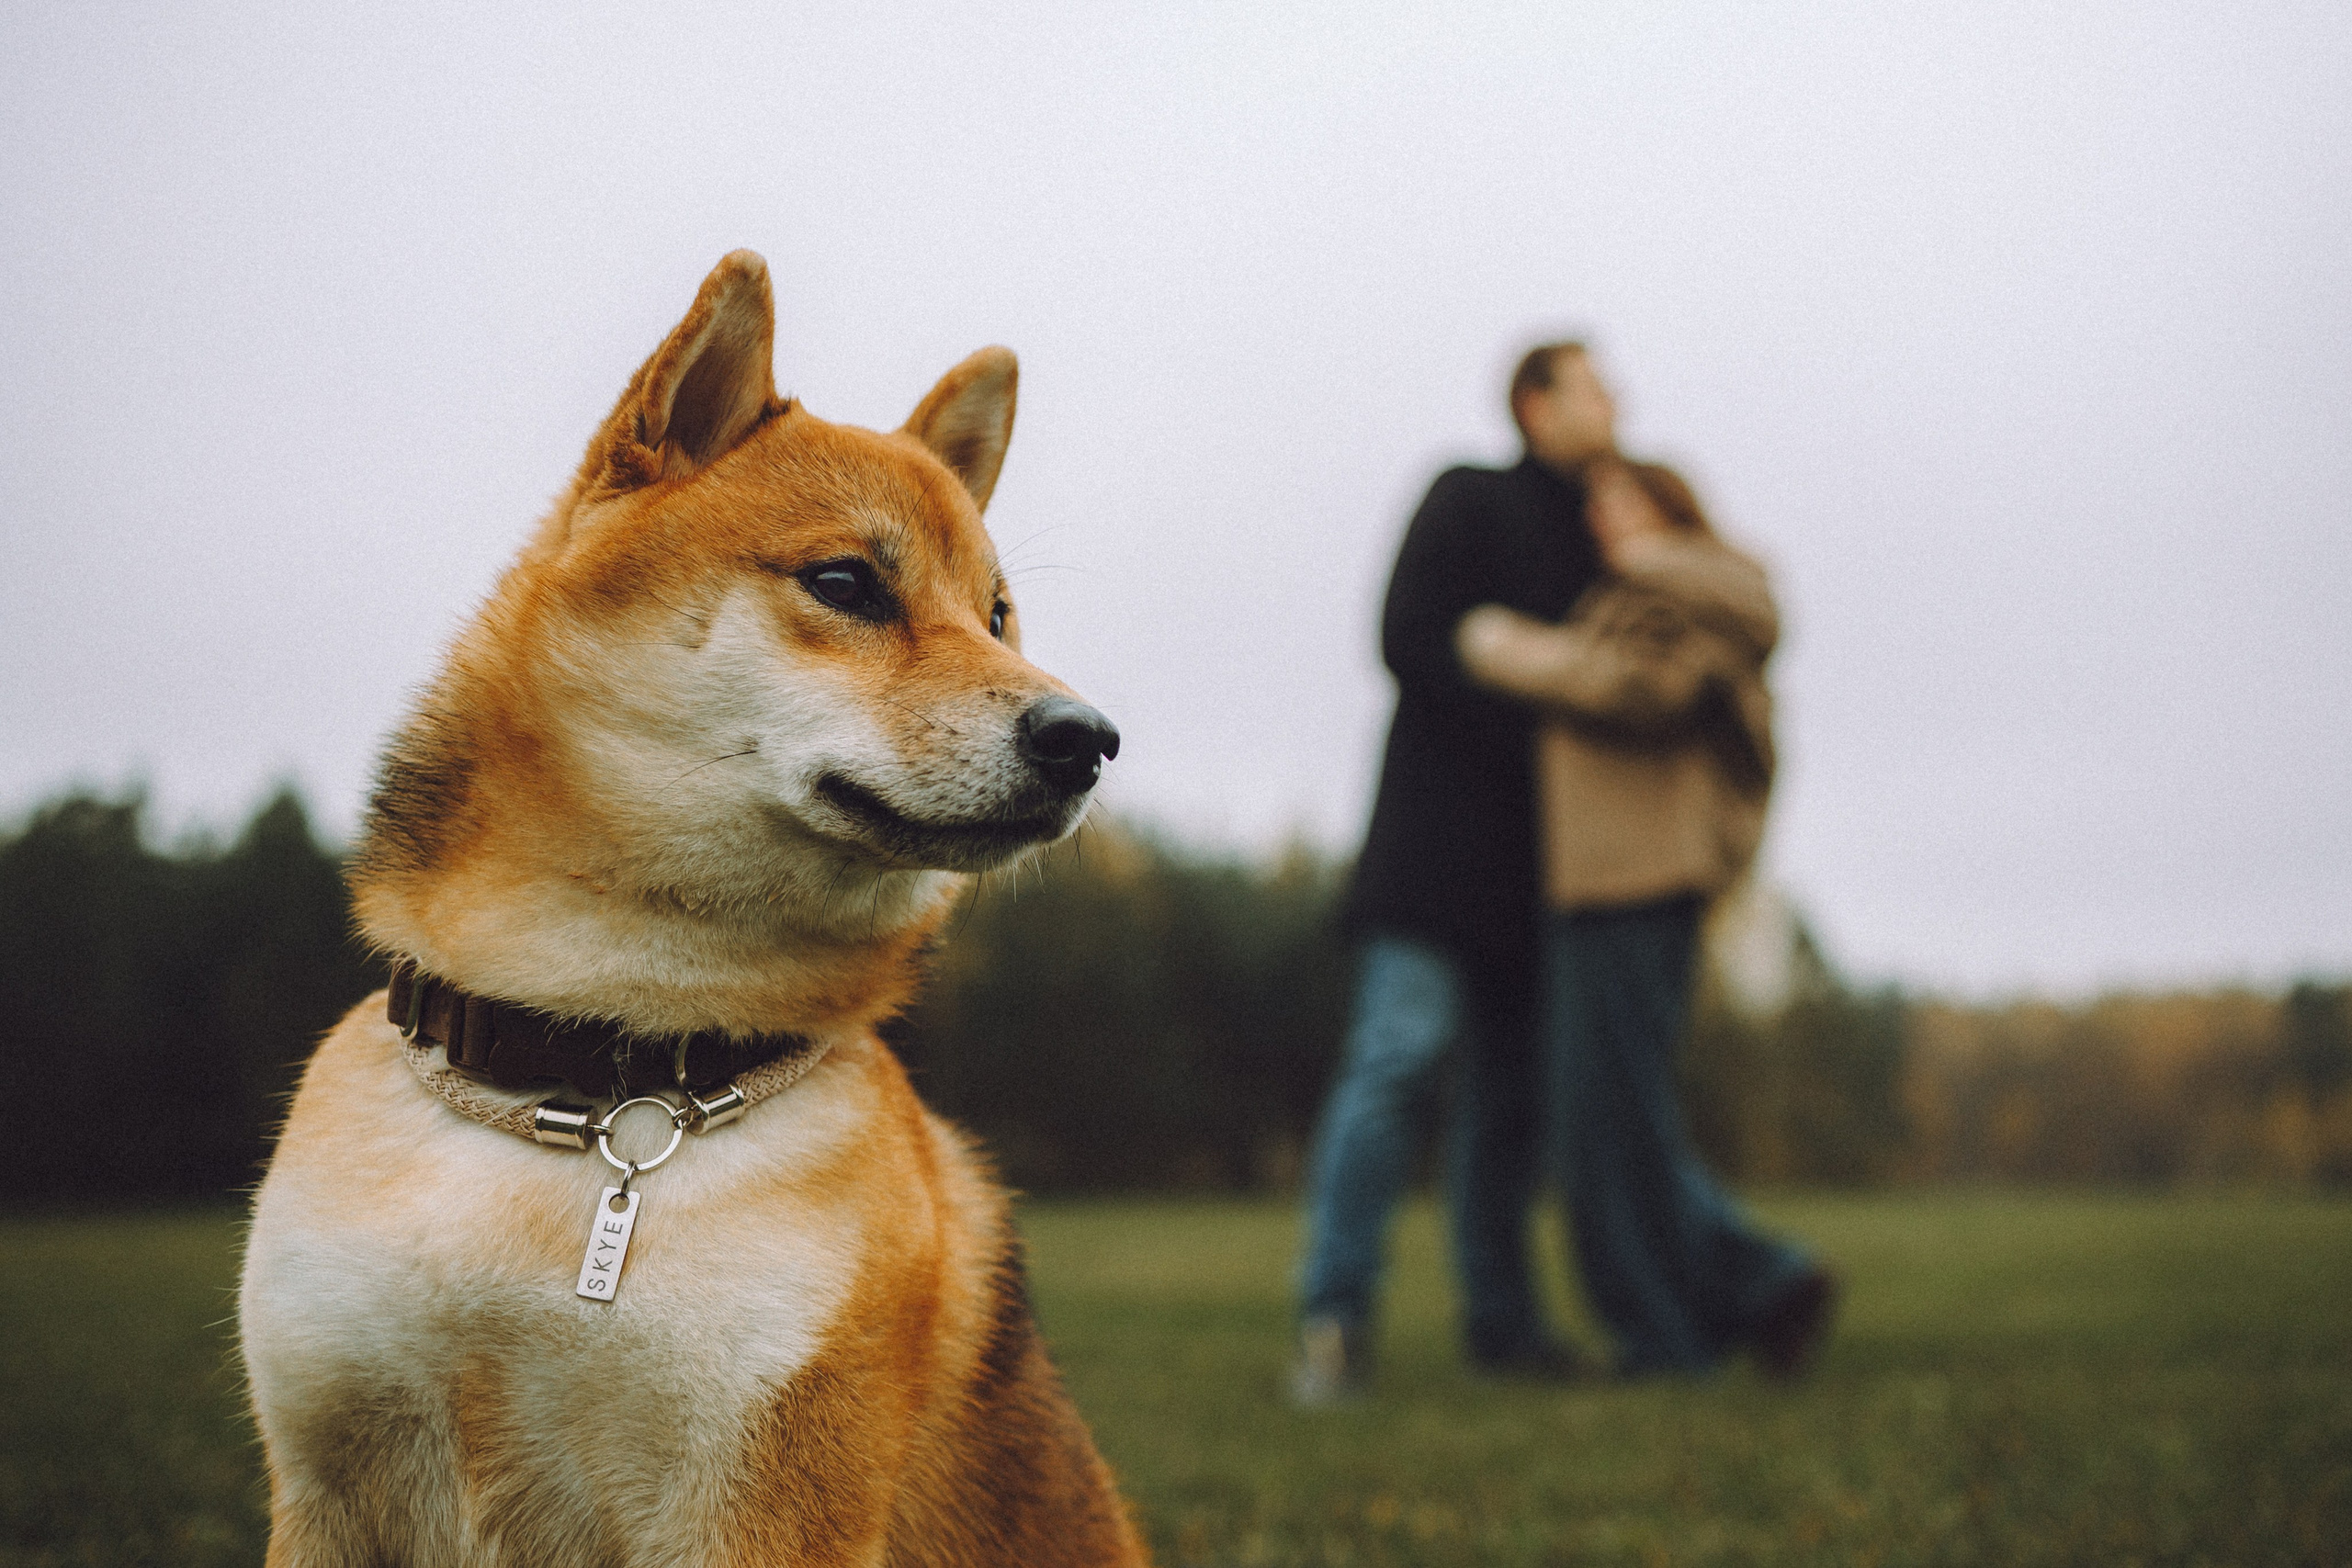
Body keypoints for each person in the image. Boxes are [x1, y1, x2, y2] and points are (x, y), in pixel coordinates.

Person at [1455, 351, 1838, 1380]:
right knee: (1611, 1126)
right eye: (1598, 507)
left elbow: (1644, 687)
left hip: (1640, 880)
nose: (1600, 521)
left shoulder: (1692, 589)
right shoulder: (1666, 589)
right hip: (1604, 881)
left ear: (1671, 509)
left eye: (1623, 502)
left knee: (1605, 1132)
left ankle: (1685, 1324)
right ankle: (1735, 1297)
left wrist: (1502, 649)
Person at [1292, 344, 1615, 1404]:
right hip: (1433, 852)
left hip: (1545, 870)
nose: (1616, 406)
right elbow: (1404, 638)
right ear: (1535, 403)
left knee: (1513, 1103)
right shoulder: (1466, 496)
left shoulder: (1602, 533)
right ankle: (1332, 1328)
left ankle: (1506, 1328)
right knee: (1397, 1063)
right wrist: (1529, 703)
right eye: (1595, 386)